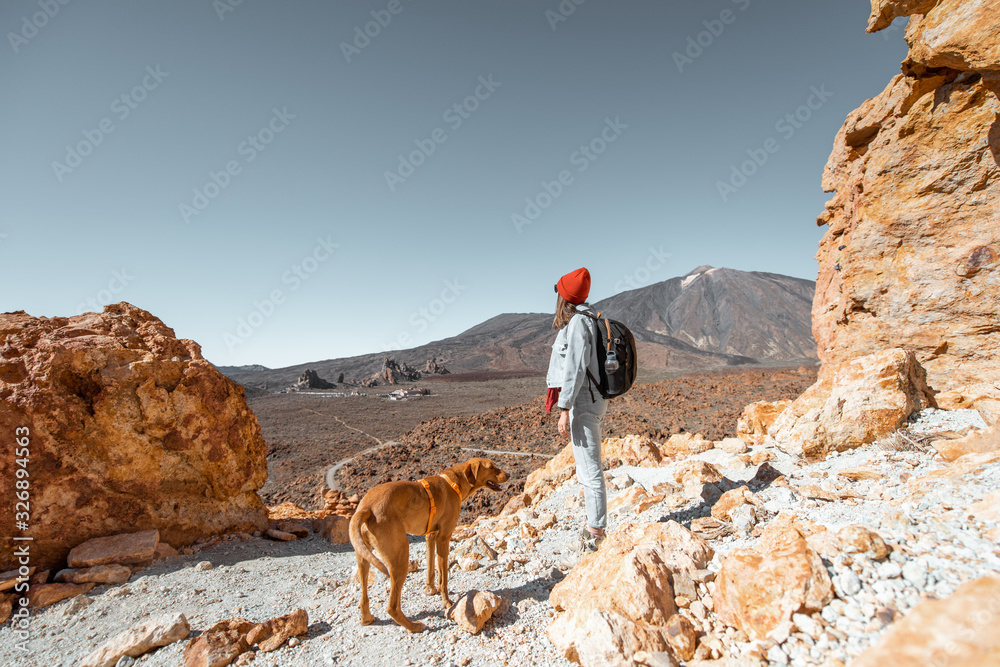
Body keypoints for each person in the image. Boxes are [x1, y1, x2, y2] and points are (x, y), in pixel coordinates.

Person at [546, 267, 608, 567]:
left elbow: (574, 369)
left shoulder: (579, 325)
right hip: (588, 401)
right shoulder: (586, 320)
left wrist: (564, 407)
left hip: (583, 402)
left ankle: (596, 533)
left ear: (564, 297)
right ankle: (594, 527)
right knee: (587, 467)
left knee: (589, 469)